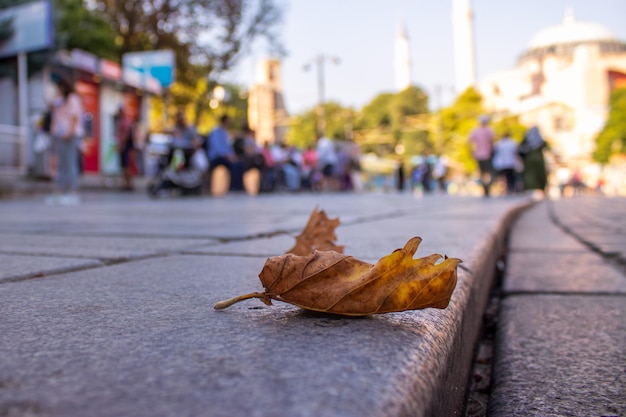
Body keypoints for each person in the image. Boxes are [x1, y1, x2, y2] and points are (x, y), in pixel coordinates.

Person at [46, 76, 83, 205]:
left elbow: (74, 118)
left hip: (70, 135)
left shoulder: (73, 99)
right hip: (59, 135)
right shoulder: (60, 100)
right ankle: (60, 191)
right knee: (60, 163)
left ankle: (72, 192)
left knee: (70, 163)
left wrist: (69, 132)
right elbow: (53, 111)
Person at [207, 115, 236, 195]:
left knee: (238, 164)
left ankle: (236, 187)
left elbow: (228, 147)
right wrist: (227, 156)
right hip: (216, 157)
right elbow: (217, 148)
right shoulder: (215, 132)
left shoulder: (225, 133)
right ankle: (231, 188)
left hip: (225, 156)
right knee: (231, 165)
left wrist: (232, 155)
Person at [469, 115, 495, 197]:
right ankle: (487, 186)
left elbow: (470, 142)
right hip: (488, 154)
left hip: (479, 155)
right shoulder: (489, 131)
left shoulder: (475, 131)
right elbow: (492, 142)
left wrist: (472, 152)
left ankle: (485, 187)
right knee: (490, 172)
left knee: (482, 172)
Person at [519, 126, 548, 197]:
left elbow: (521, 149)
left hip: (529, 159)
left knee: (530, 175)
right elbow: (545, 146)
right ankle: (540, 189)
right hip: (538, 159)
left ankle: (531, 189)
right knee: (539, 174)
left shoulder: (527, 139)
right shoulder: (540, 139)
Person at [115, 106, 135, 191]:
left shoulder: (126, 121)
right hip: (123, 145)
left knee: (126, 166)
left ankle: (129, 184)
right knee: (123, 166)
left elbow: (125, 135)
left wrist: (121, 145)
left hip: (125, 146)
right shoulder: (120, 121)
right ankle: (125, 184)